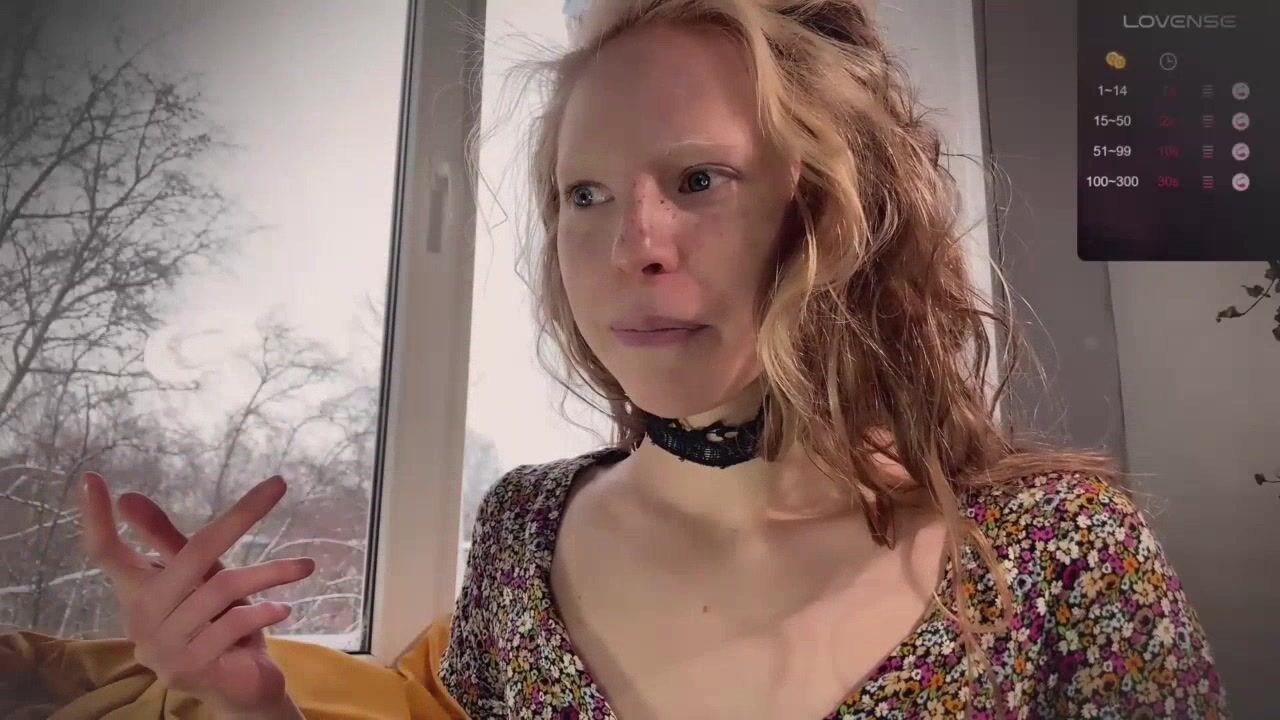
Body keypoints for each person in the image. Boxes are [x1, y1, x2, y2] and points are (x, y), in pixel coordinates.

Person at [78, 0, 1227, 718]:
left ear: (836, 212)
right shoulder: (520, 535)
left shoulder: (1059, 551)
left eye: (696, 179)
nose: (632, 245)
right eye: (583, 194)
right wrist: (248, 704)